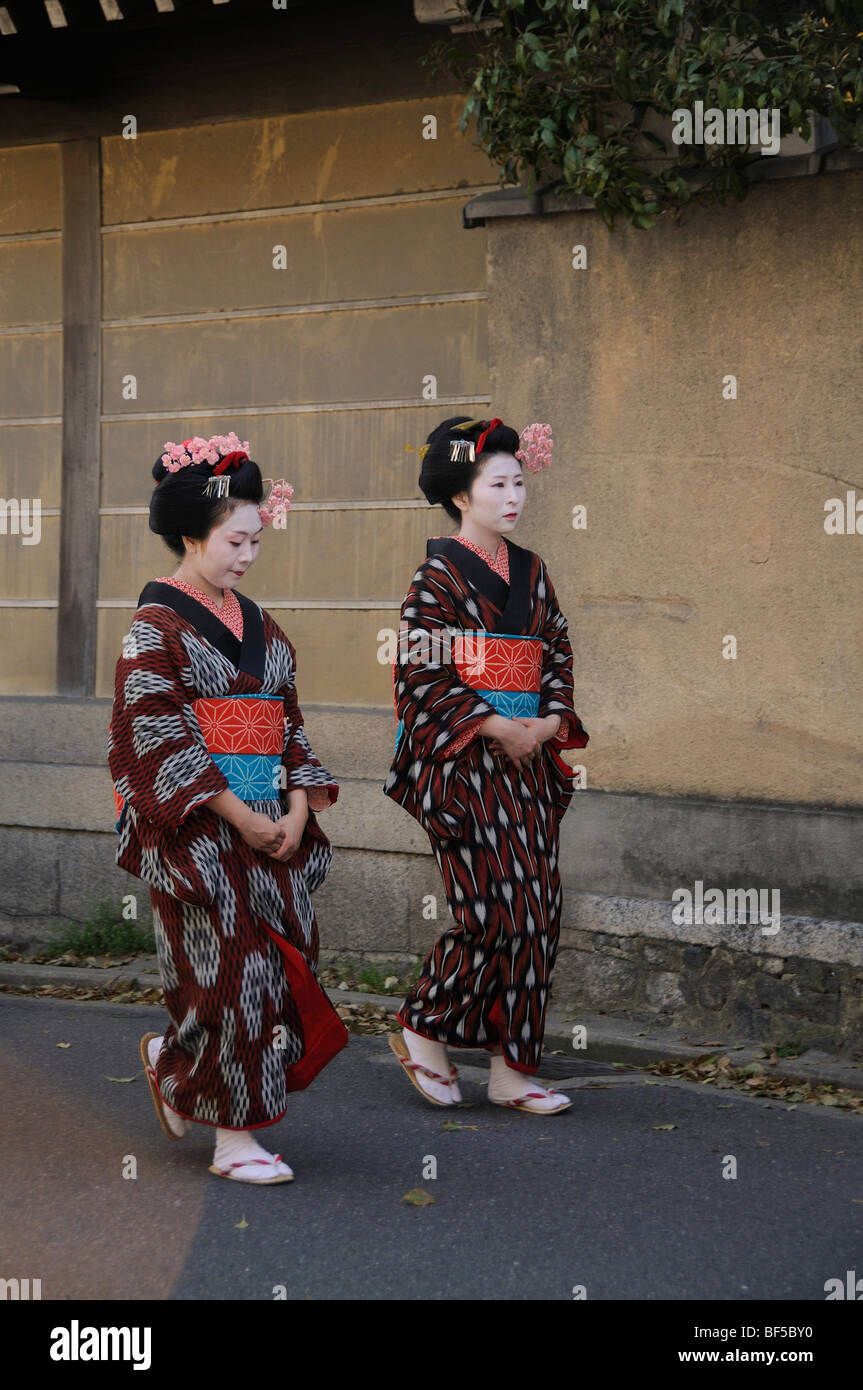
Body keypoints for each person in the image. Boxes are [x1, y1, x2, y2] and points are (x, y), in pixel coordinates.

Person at [108, 433, 347, 1184]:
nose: (247, 555)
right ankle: (233, 1139)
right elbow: (157, 734)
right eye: (234, 540)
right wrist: (237, 815)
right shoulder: (155, 628)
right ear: (191, 535)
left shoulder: (262, 628)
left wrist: (298, 809)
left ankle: (174, 1062)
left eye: (254, 540)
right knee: (227, 974)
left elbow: (289, 725)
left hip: (271, 818)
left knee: (277, 970)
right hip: (199, 827)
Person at [383, 416, 589, 1114]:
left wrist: (551, 718)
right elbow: (421, 672)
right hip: (464, 764)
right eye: (496, 483)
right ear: (460, 497)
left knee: (539, 911)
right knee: (491, 913)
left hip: (527, 760)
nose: (513, 495)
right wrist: (494, 721)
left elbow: (554, 651)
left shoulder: (531, 572)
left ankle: (512, 1070)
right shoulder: (436, 576)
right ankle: (422, 1025)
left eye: (518, 481)